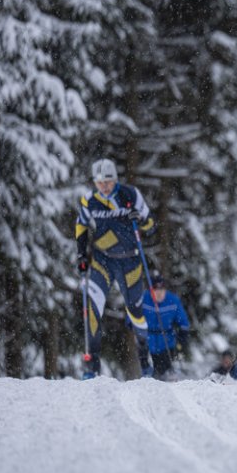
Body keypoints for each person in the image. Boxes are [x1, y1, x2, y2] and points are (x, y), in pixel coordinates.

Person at [75, 158, 157, 379]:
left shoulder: (130, 195)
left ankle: (144, 362)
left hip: (130, 262)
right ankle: (92, 366)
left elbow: (151, 226)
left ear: (115, 180)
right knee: (93, 309)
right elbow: (81, 225)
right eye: (100, 183)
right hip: (102, 261)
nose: (104, 186)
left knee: (135, 312)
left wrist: (140, 220)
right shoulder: (89, 200)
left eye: (108, 182)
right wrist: (81, 254)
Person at [130, 270, 191, 381]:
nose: (159, 293)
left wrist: (183, 333)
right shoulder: (143, 299)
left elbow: (183, 321)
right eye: (155, 290)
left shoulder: (173, 300)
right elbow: (132, 315)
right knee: (148, 374)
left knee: (165, 373)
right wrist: (132, 325)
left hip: (167, 342)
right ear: (150, 290)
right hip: (147, 342)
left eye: (162, 290)